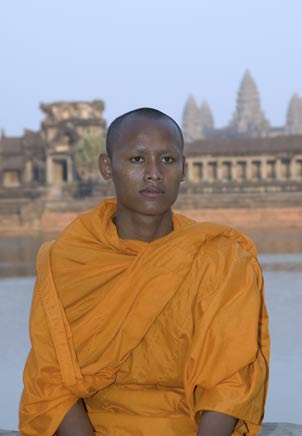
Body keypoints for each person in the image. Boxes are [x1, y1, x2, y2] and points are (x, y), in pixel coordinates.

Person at [19, 108, 270, 436]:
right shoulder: (69, 261)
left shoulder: (221, 260)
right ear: (107, 167)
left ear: (183, 169)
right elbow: (51, 381)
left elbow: (231, 383)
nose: (154, 174)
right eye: (137, 160)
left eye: (167, 160)